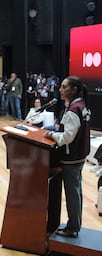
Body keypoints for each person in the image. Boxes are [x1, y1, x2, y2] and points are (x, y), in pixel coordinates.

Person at [44, 76, 91, 238]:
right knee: (76, 192)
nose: (60, 89)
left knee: (72, 194)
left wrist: (51, 135)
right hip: (79, 155)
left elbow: (66, 138)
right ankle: (74, 224)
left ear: (74, 90)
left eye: (64, 87)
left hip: (72, 157)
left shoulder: (73, 110)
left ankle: (72, 228)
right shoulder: (80, 105)